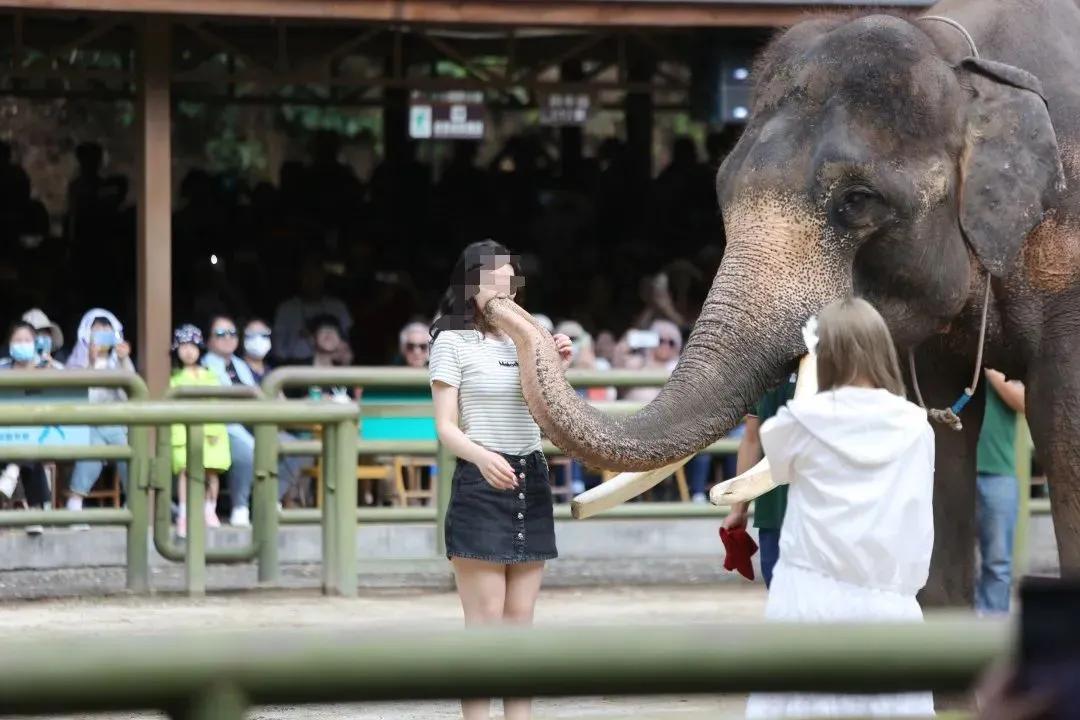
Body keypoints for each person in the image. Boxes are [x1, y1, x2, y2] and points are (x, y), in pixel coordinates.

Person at [744, 298, 935, 719]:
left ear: (824, 355)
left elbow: (775, 458)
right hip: (890, 601)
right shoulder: (917, 425)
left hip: (810, 598)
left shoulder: (797, 424)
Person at [429, 240, 572, 720]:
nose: (504, 284)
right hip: (481, 482)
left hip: (531, 479)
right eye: (494, 276)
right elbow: (447, 426)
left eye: (510, 275)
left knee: (519, 628)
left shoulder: (531, 336)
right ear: (470, 284)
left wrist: (557, 365)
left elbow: (550, 412)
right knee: (485, 627)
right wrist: (482, 456)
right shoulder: (451, 341)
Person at [203, 314, 308, 519]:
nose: (228, 337)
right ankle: (240, 507)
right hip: (224, 426)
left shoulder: (241, 365)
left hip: (256, 423)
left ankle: (266, 500)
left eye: (232, 333)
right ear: (209, 340)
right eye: (221, 333)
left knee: (297, 449)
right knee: (247, 453)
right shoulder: (204, 364)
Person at [722, 373, 798, 588]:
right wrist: (738, 508)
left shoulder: (835, 358)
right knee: (778, 591)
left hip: (824, 511)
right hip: (774, 507)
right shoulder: (766, 367)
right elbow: (752, 439)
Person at [65, 309, 133, 512]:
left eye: (106, 332)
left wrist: (123, 360)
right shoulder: (77, 361)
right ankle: (75, 502)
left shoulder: (119, 362)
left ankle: (134, 501)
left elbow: (129, 393)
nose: (102, 337)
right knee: (92, 453)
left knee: (130, 451)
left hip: (116, 424)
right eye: (97, 332)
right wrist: (91, 366)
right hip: (87, 424)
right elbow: (75, 394)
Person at [169, 325, 231, 537]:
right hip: (183, 430)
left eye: (193, 346)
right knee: (185, 472)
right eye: (183, 346)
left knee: (211, 472)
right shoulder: (173, 378)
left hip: (210, 430)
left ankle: (209, 510)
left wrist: (213, 429)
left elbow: (216, 405)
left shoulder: (210, 376)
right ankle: (184, 515)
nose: (188, 351)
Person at [975, 369, 1025, 615]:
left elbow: (1024, 402)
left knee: (998, 562)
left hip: (999, 473)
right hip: (952, 473)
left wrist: (992, 375)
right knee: (951, 556)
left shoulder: (1004, 358)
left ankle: (993, 634)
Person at [0, 321, 54, 533]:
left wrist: (50, 373)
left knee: (30, 442)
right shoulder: (1, 368)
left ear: (35, 343)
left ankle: (12, 470)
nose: (22, 344)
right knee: (28, 455)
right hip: (4, 430)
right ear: (10, 344)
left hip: (40, 431)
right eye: (17, 340)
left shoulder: (47, 367)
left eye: (27, 340)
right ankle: (34, 512)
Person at [272, 255, 353, 365]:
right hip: (293, 369)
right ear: (299, 277)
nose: (311, 280)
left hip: (331, 368)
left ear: (323, 276)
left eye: (315, 274)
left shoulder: (337, 307)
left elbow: (346, 346)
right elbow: (278, 351)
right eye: (306, 275)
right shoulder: (286, 308)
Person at [241, 318, 273, 384]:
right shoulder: (236, 369)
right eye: (251, 335)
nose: (258, 340)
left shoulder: (271, 373)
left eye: (264, 335)